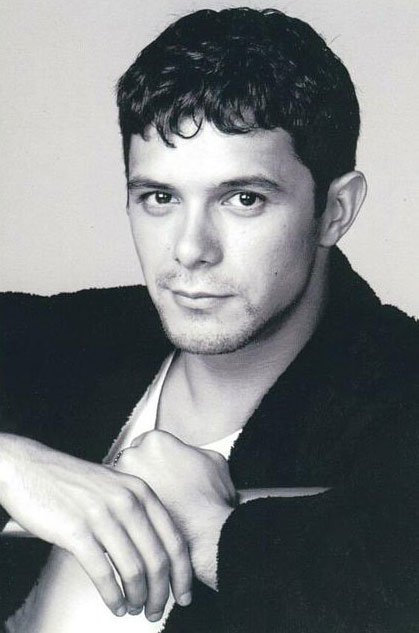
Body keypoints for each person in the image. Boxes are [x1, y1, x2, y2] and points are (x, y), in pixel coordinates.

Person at [0, 7, 418, 632]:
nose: (190, 249)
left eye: (243, 199)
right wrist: (10, 465)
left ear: (335, 210)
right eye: (159, 198)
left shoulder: (402, 399)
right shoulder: (60, 341)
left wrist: (218, 538)